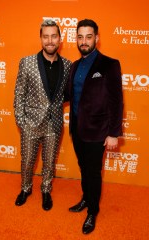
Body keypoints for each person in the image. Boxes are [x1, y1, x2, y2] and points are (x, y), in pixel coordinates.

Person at [67, 19, 123, 234]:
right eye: (80, 37)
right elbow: (69, 95)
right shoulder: (74, 65)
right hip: (77, 129)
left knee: (93, 172)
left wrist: (113, 133)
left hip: (98, 131)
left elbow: (116, 101)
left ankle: (92, 211)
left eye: (88, 36)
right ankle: (85, 198)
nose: (84, 41)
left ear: (96, 38)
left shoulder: (110, 64)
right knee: (84, 168)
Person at [14, 19, 72, 210]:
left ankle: (46, 190)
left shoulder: (67, 65)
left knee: (49, 162)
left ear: (60, 39)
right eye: (45, 36)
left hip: (54, 124)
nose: (50, 40)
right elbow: (19, 94)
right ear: (40, 38)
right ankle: (25, 188)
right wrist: (22, 122)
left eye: (53, 36)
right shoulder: (27, 62)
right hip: (30, 123)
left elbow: (66, 94)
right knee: (28, 160)